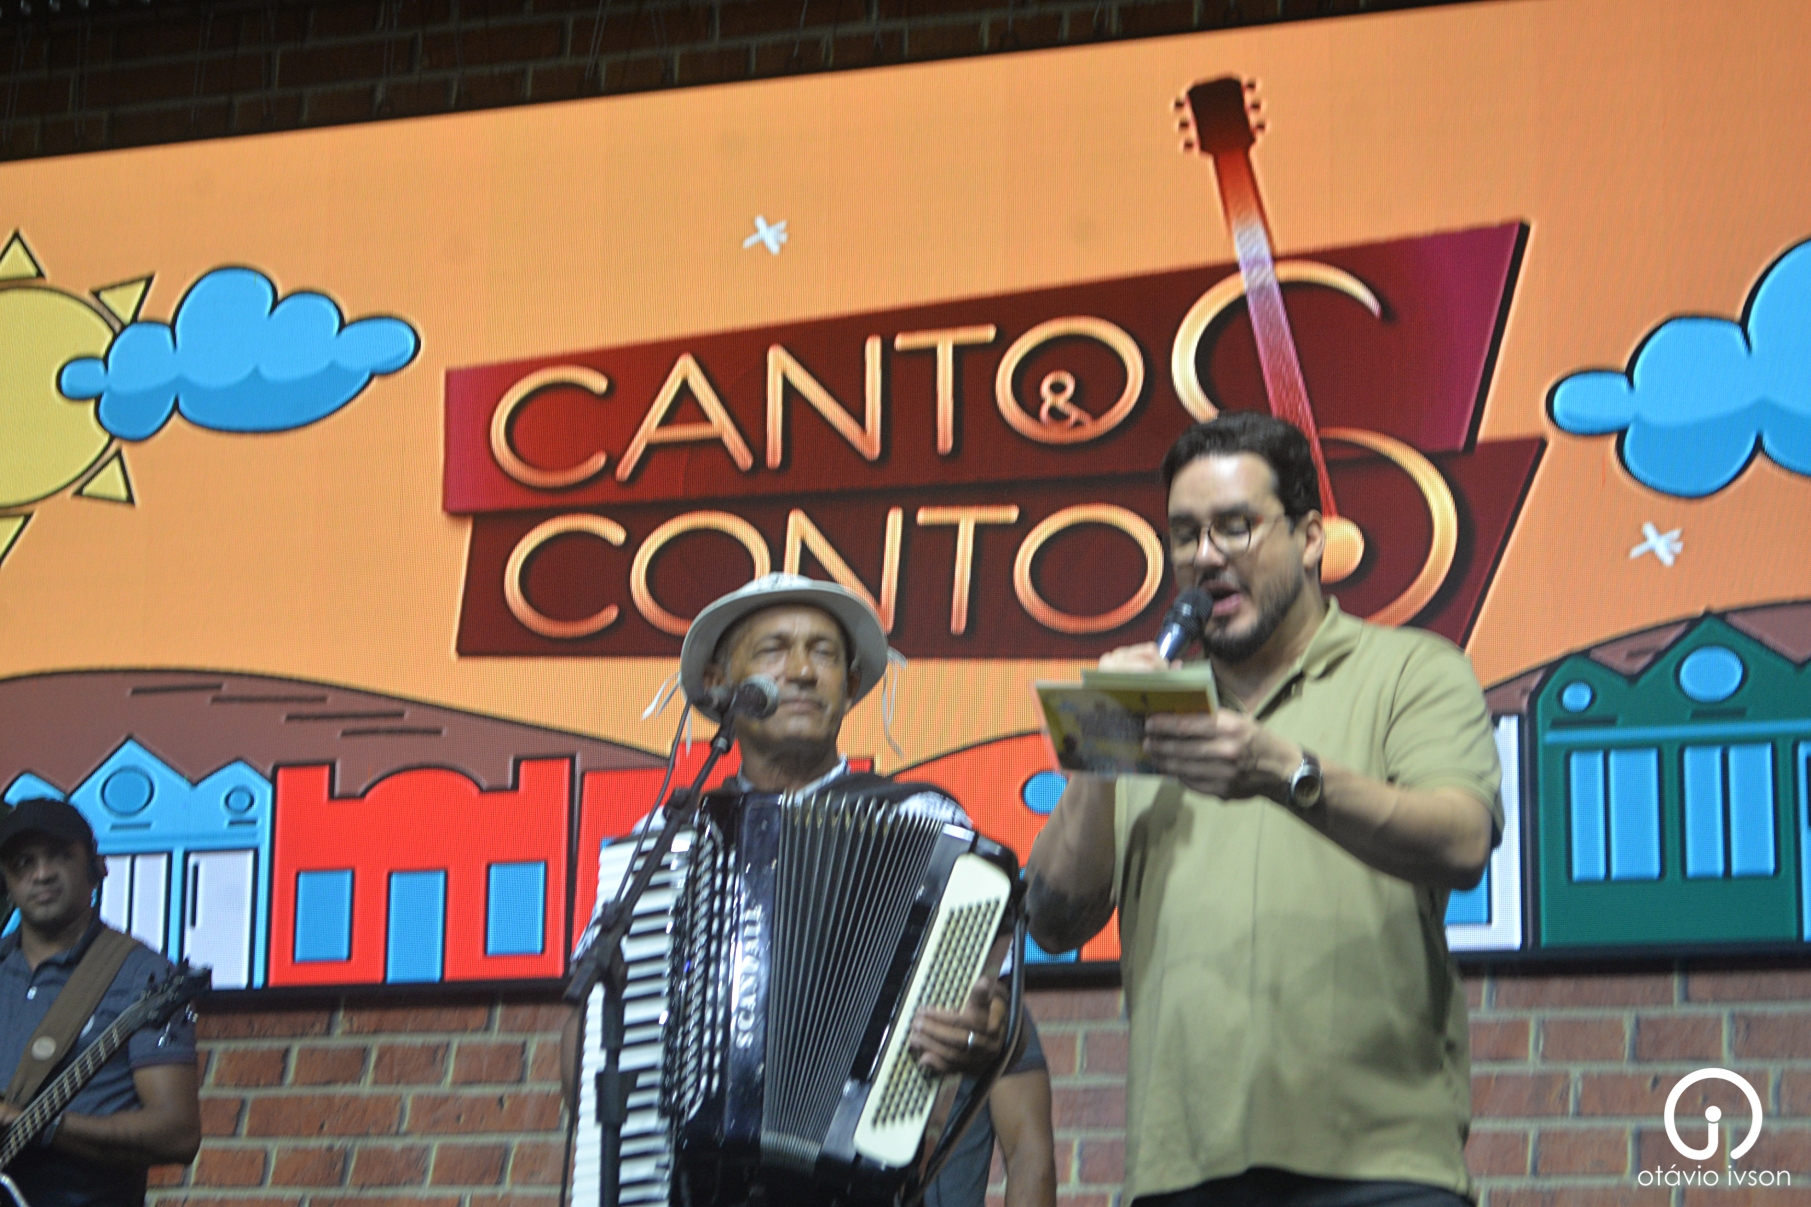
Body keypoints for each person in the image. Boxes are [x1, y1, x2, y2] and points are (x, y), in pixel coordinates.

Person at [1025, 413, 1502, 1207]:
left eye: (1235, 526)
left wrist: (1286, 772)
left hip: (1379, 1167)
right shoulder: (1151, 707)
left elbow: (1461, 841)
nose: (1206, 555)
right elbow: (1051, 917)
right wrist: (1103, 742)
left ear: (1310, 537)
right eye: (1185, 534)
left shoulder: (1411, 669)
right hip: (1182, 1169)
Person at [561, 572, 1056, 1207]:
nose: (801, 671)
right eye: (773, 649)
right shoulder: (668, 842)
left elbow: (1009, 1055)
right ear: (718, 682)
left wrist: (986, 1033)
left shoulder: (928, 830)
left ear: (850, 686)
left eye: (823, 653)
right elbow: (586, 1053)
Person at [0, 798, 201, 1206]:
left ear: (96, 868)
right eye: (23, 863)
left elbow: (178, 1133)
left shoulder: (142, 977)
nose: (41, 874)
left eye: (60, 856)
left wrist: (45, 1126)